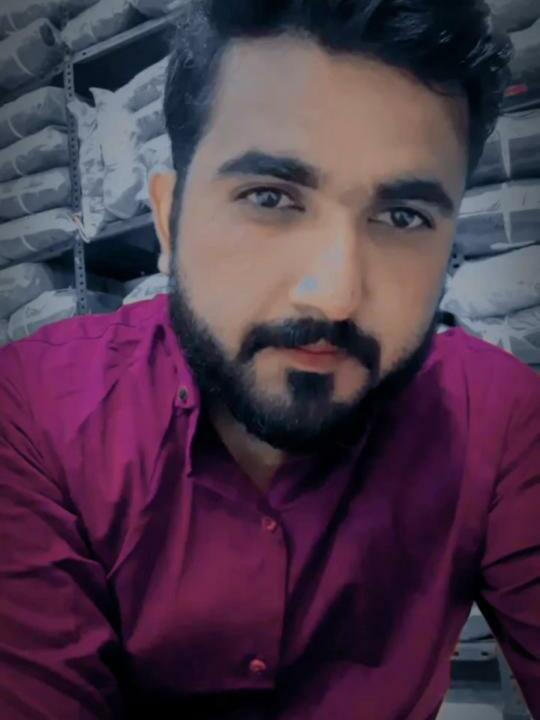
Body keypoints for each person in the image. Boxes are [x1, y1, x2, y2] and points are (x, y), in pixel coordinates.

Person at [0, 1, 538, 718]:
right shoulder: (37, 411)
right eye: (270, 198)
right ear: (168, 220)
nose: (335, 296)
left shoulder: (497, 419)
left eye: (402, 217)